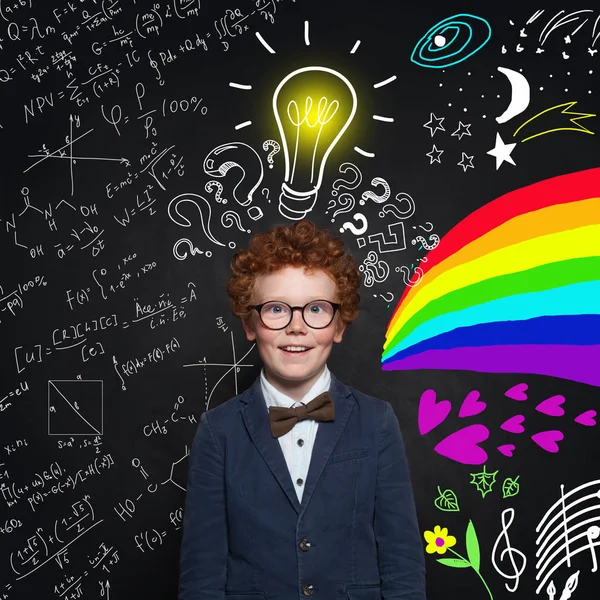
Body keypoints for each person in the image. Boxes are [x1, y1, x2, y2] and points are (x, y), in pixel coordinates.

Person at [178, 220, 426, 600]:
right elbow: (202, 578)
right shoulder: (218, 430)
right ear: (250, 323)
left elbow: (402, 564)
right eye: (276, 309)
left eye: (316, 309)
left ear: (338, 325)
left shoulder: (377, 421)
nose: (297, 327)